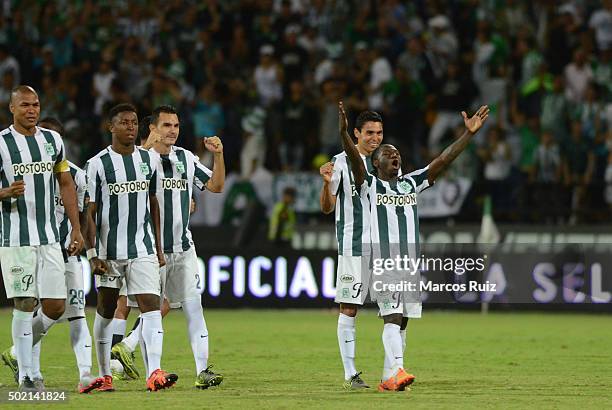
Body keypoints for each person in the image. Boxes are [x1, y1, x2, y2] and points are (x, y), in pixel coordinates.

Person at [338, 101, 488, 392]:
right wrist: (344, 134)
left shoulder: (411, 183)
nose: (394, 156)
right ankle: (397, 370)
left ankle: (388, 378)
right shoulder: (368, 184)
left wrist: (468, 135)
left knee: (403, 321)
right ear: (376, 163)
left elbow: (443, 161)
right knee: (392, 316)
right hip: (382, 262)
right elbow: (355, 162)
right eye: (387, 154)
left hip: (408, 265)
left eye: (397, 154)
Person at [112, 105, 225, 389]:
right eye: (166, 126)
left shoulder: (186, 158)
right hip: (150, 250)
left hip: (184, 247)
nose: (172, 130)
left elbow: (216, 185)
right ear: (153, 129)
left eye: (175, 125)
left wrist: (219, 155)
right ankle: (152, 371)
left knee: (193, 307)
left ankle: (203, 371)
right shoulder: (141, 161)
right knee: (151, 312)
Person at [1, 117, 103, 393]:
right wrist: (6, 192)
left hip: (65, 250)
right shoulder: (6, 147)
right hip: (23, 241)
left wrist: (83, 241)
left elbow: (86, 216)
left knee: (65, 308)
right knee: (27, 305)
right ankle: (29, 373)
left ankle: (81, 372)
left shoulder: (76, 175)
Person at [85, 103, 177, 392]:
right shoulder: (97, 164)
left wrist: (159, 248)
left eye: (134, 122)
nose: (130, 127)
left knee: (151, 306)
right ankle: (103, 374)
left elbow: (153, 204)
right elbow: (88, 212)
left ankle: (155, 372)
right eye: (124, 122)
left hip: (143, 248)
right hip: (109, 252)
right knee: (106, 309)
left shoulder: (148, 161)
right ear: (110, 127)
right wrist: (92, 253)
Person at [319, 109, 384, 389]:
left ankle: (394, 369)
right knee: (349, 308)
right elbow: (327, 207)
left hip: (385, 247)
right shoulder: (340, 162)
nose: (375, 138)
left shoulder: (387, 161)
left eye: (379, 133)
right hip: (354, 245)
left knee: (395, 309)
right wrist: (325, 184)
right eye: (369, 132)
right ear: (355, 133)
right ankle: (350, 374)